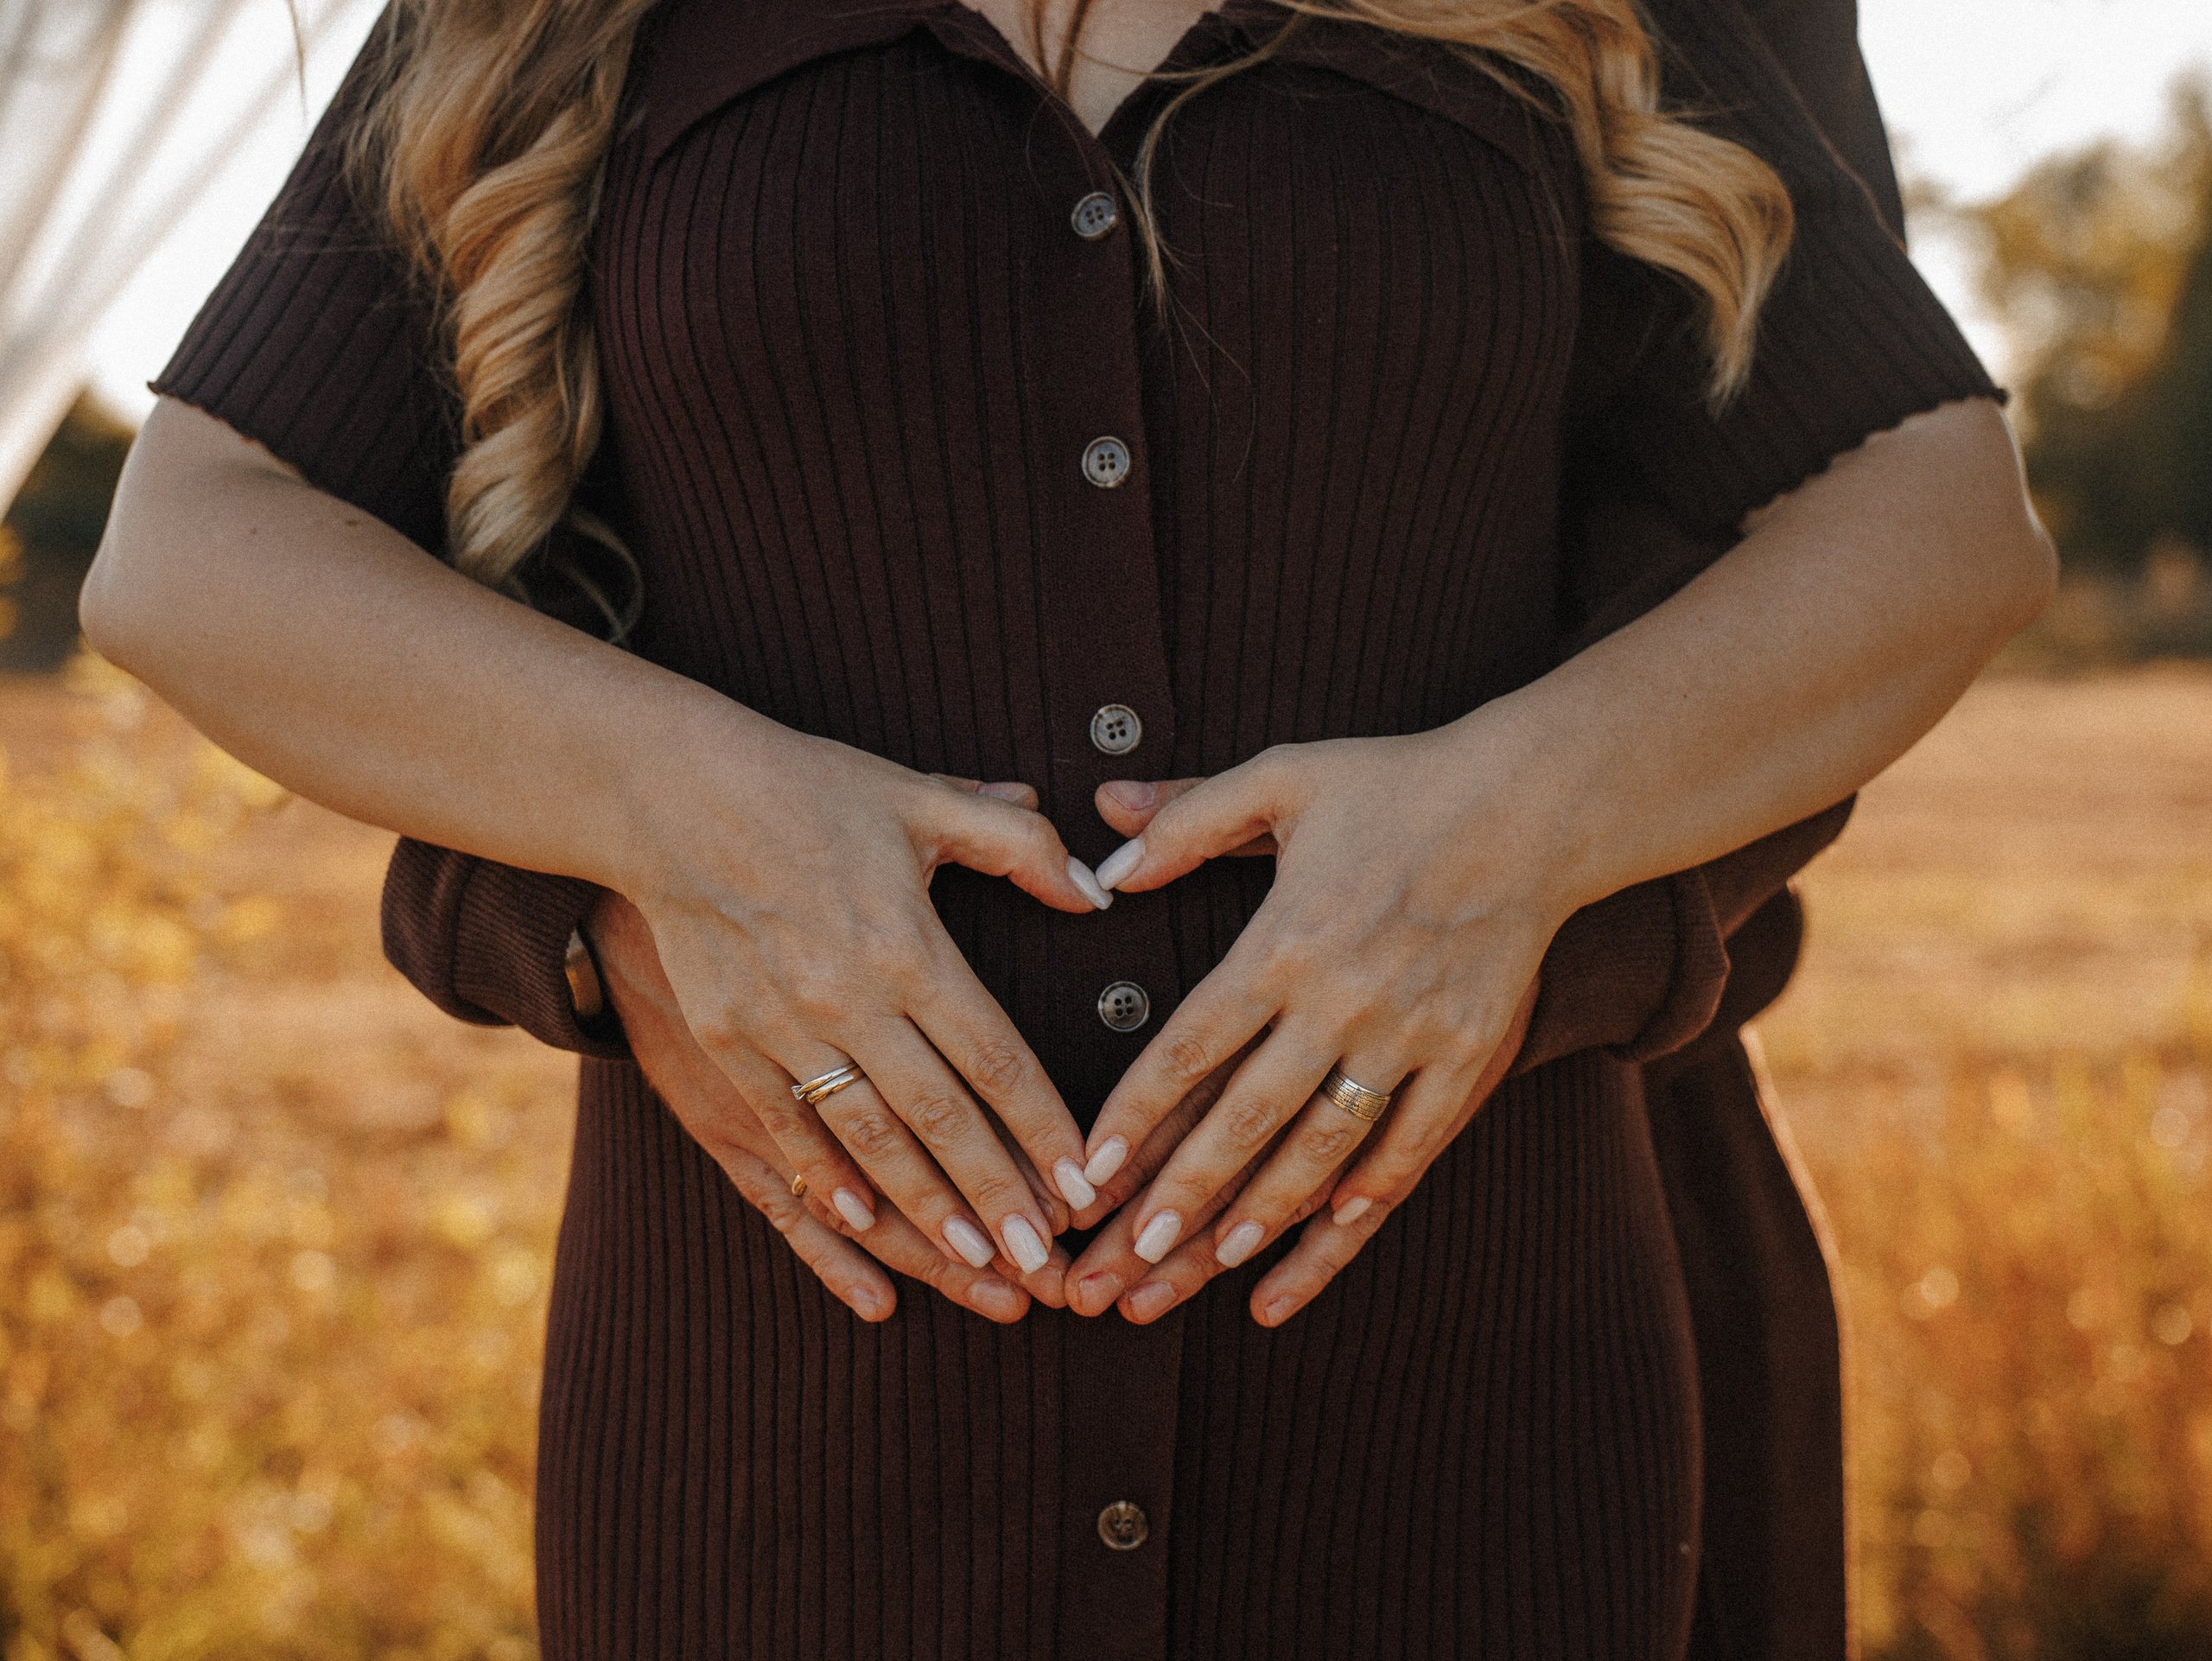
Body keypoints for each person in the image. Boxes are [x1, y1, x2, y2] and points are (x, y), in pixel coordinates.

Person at [82, 0, 2052, 1652]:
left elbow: (1928, 519)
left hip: (1462, 1411)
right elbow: (199, 551)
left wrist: (1503, 842)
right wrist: (677, 824)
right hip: (786, 1450)